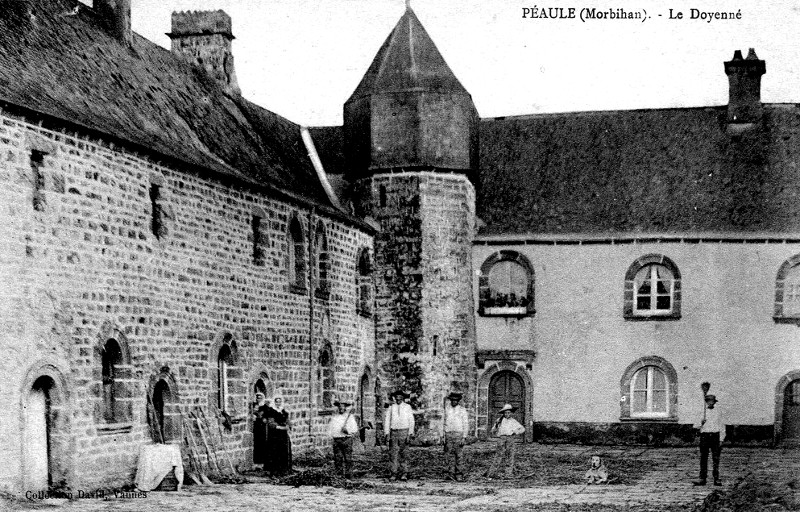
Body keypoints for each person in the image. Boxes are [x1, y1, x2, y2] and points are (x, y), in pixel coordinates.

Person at [694, 394, 725, 486]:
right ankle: (702, 478)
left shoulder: (718, 412)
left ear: (714, 402)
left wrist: (721, 439)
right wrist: (701, 422)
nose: (710, 403)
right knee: (703, 458)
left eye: (712, 401)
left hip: (715, 436)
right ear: (706, 402)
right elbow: (695, 425)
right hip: (705, 436)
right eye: (709, 401)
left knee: (716, 458)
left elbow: (722, 426)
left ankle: (716, 478)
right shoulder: (701, 412)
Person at [486, 403, 525, 479]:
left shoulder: (513, 421)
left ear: (511, 413)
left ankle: (508, 474)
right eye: (505, 413)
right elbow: (493, 430)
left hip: (510, 438)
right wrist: (495, 429)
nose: (507, 414)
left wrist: (515, 432)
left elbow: (522, 429)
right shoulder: (499, 420)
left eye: (509, 412)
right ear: (503, 413)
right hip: (502, 439)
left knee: (510, 456)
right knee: (498, 456)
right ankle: (492, 474)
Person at [384, 389, 415, 481]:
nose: (398, 400)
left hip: (404, 432)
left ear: (403, 398)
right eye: (397, 398)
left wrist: (409, 434)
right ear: (395, 398)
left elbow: (411, 421)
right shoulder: (391, 407)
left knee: (404, 453)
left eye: (400, 398)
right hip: (394, 432)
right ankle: (394, 473)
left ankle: (404, 473)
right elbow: (387, 421)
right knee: (393, 454)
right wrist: (387, 433)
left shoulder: (407, 407)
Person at [328, 398, 359, 479]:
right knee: (338, 459)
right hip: (337, 440)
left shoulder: (350, 417)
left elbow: (355, 429)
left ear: (345, 408)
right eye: (339, 407)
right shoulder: (334, 417)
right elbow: (330, 429)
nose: (341, 408)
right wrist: (331, 436)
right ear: (338, 408)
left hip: (346, 440)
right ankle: (339, 475)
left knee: (348, 458)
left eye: (343, 407)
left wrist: (347, 431)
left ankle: (349, 475)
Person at [442, 391, 469, 481]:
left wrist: (464, 437)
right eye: (452, 400)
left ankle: (459, 474)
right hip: (448, 434)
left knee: (459, 455)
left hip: (458, 434)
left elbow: (465, 423)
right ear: (450, 400)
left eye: (456, 400)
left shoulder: (462, 410)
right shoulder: (447, 409)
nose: (454, 402)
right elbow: (443, 422)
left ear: (458, 401)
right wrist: (443, 436)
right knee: (447, 454)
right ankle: (448, 473)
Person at [264, 395, 292, 476]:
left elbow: (287, 421)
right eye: (276, 402)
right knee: (275, 451)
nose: (278, 403)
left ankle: (283, 469)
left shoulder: (284, 412)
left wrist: (288, 425)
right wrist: (281, 427)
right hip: (275, 434)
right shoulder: (271, 411)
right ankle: (274, 470)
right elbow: (271, 423)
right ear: (274, 402)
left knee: (284, 450)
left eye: (279, 402)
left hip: (283, 435)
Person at [251, 392, 270, 470]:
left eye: (260, 398)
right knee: (257, 444)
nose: (259, 399)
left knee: (263, 444)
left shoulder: (265, 407)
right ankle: (256, 463)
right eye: (257, 398)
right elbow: (253, 414)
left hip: (263, 427)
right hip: (256, 427)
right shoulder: (255, 406)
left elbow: (267, 417)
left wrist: (263, 419)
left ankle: (263, 463)